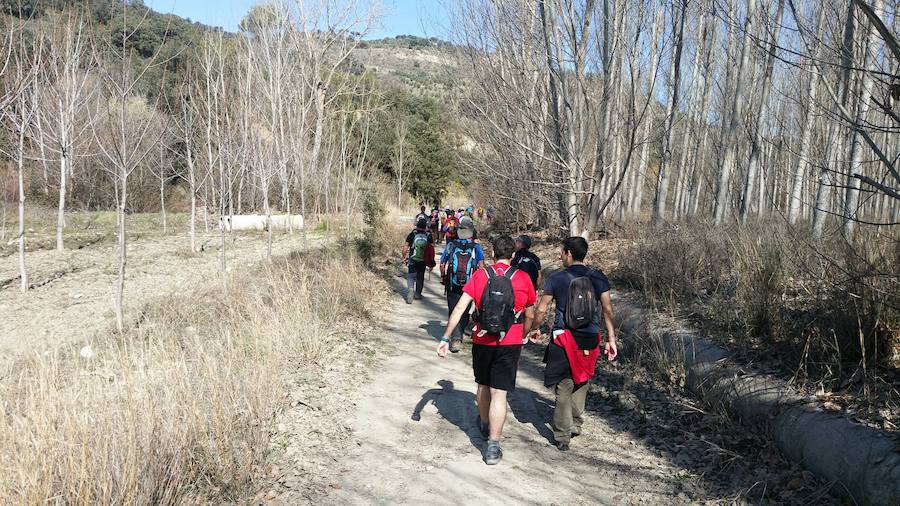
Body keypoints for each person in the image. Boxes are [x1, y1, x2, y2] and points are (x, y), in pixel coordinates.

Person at [437, 235, 537, 465]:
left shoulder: (480, 275)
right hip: (510, 341)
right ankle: (493, 446)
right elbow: (530, 314)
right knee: (499, 393)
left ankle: (484, 423)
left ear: (492, 253)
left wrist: (445, 337)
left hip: (483, 340)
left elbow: (460, 307)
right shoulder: (523, 278)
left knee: (483, 385)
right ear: (513, 255)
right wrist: (524, 334)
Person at [527, 236, 617, 452]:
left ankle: (562, 435)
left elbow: (542, 308)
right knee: (582, 379)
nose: (560, 255)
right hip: (589, 338)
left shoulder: (557, 278)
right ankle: (575, 423)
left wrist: (535, 328)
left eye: (562, 252)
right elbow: (607, 310)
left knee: (563, 385)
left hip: (563, 338)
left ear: (568, 253)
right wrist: (611, 339)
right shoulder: (598, 277)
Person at [439, 218, 484, 352]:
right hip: (469, 285)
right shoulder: (476, 247)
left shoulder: (451, 245)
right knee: (464, 311)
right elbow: (481, 266)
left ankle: (455, 338)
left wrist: (443, 276)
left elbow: (442, 264)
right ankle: (458, 336)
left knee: (453, 309)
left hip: (452, 284)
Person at [402, 218, 434, 304]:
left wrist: (403, 257)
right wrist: (431, 263)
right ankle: (418, 294)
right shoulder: (428, 235)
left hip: (412, 258)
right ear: (425, 226)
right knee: (420, 276)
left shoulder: (412, 234)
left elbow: (405, 246)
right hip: (423, 260)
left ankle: (411, 289)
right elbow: (431, 250)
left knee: (411, 276)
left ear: (417, 225)